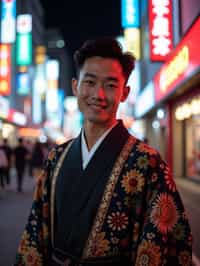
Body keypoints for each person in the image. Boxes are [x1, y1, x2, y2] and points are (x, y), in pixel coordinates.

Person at [14, 38, 192, 266]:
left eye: (110, 85)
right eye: (89, 82)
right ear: (75, 86)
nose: (98, 95)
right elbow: (35, 232)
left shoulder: (148, 163)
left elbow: (165, 243)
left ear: (124, 92)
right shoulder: (56, 158)